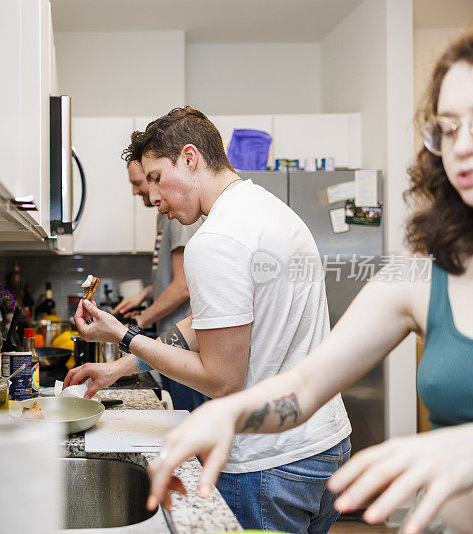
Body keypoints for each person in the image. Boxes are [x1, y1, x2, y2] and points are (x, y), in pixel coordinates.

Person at [144, 31, 473, 534]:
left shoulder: (223, 234)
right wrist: (228, 418)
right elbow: (302, 387)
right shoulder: (422, 271)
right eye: (449, 128)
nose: (463, 145)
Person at [66, 106, 351, 533]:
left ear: (190, 157)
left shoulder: (214, 241)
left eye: (158, 178)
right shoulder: (272, 211)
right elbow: (205, 325)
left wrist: (125, 335)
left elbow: (222, 380)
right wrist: (118, 366)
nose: (154, 197)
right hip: (326, 446)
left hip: (267, 465)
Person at [112, 160, 207, 411]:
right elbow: (181, 275)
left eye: (138, 182)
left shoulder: (178, 216)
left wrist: (136, 324)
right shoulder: (164, 217)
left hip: (186, 346)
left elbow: (183, 286)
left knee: (191, 425)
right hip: (173, 342)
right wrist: (146, 292)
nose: (136, 191)